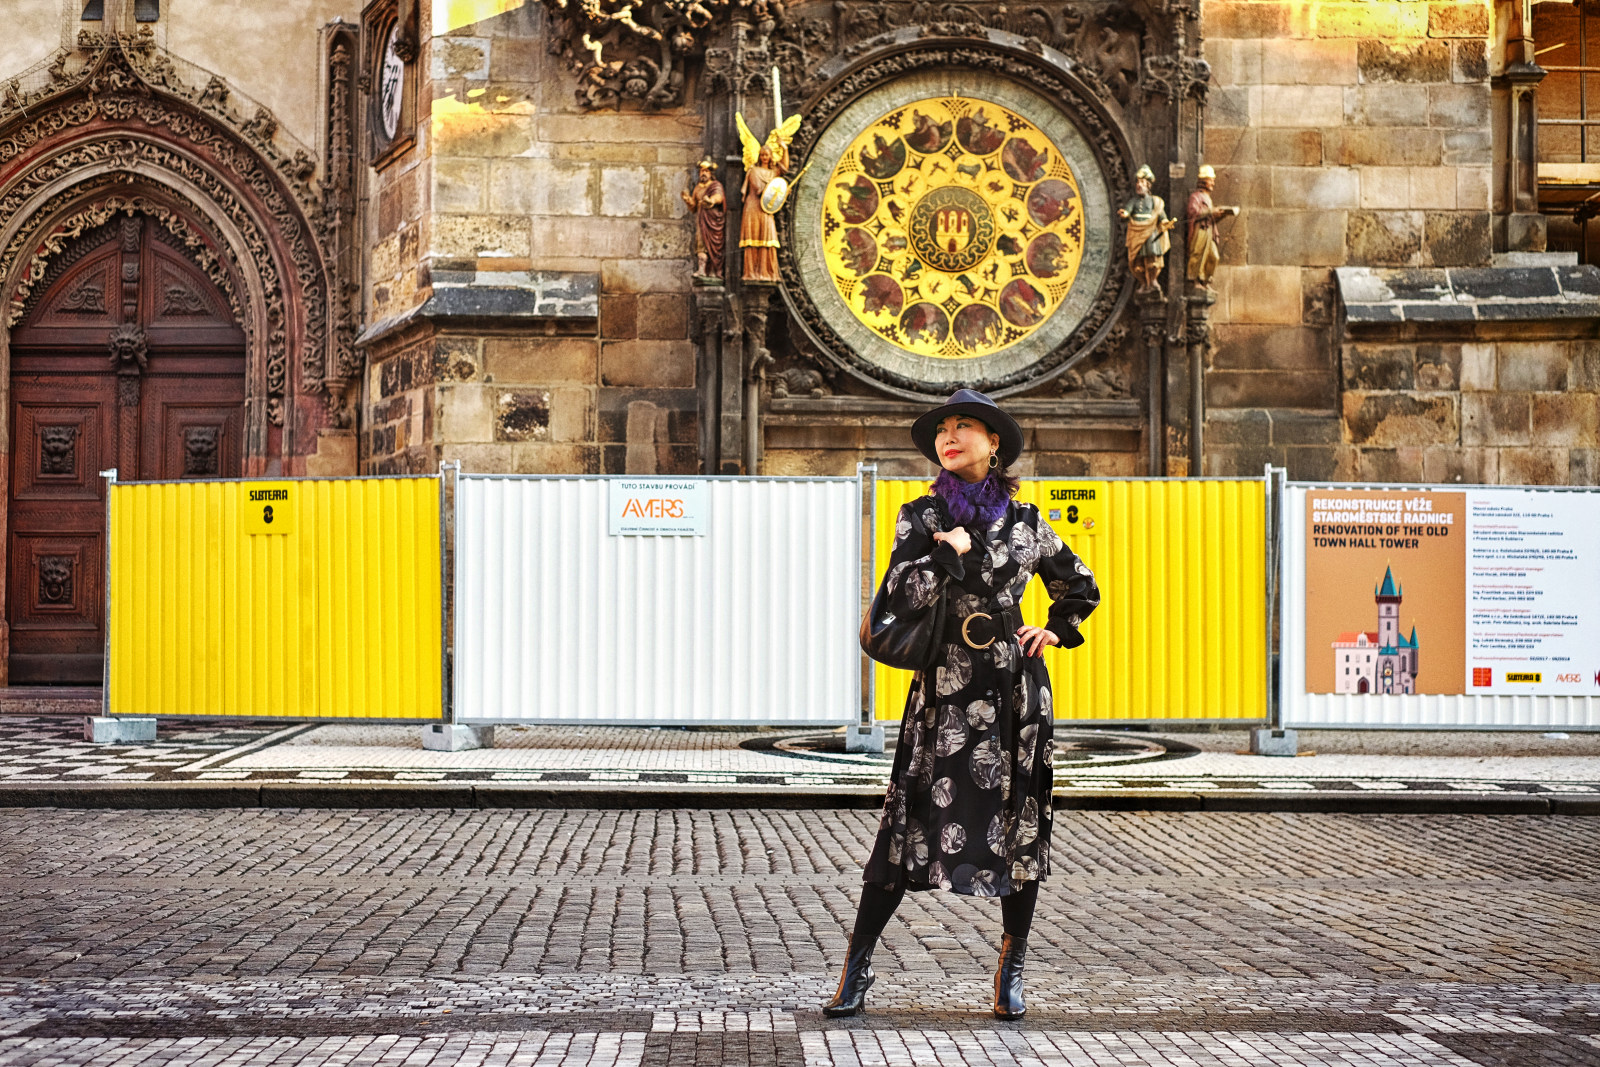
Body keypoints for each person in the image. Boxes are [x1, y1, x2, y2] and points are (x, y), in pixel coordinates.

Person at [825, 388, 1100, 1021]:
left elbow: (1078, 583)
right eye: (942, 429)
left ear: (993, 441)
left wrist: (1056, 627)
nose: (950, 436)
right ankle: (857, 966)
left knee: (1018, 830)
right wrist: (949, 551)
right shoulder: (920, 515)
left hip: (1013, 695)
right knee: (905, 827)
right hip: (945, 693)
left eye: (964, 426)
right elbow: (899, 590)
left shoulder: (1028, 522)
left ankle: (1011, 967)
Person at [1117, 164, 1175, 294]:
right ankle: (1143, 282)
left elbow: (1161, 215)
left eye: (1142, 182)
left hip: (1151, 233)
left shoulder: (1155, 201)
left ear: (1148, 185)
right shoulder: (1134, 201)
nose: (1139, 184)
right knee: (1138, 260)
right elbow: (1128, 211)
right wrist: (1124, 214)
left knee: (1152, 257)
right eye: (1138, 182)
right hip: (1137, 231)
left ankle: (1153, 280)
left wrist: (1166, 223)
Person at [1185, 163, 1237, 290]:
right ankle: (1194, 280)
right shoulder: (1195, 197)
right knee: (1198, 253)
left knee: (1213, 256)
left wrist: (1221, 215)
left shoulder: (1207, 198)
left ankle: (1205, 280)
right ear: (1203, 182)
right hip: (1200, 230)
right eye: (1211, 180)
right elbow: (1192, 212)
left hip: (1209, 230)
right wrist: (1211, 211)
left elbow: (1211, 217)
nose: (1213, 183)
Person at [740, 144, 784, 282]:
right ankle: (751, 272)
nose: (765, 157)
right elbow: (759, 189)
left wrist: (784, 148)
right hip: (754, 206)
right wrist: (775, 191)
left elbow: (785, 168)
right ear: (759, 156)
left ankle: (767, 272)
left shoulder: (773, 172)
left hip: (766, 208)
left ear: (771, 156)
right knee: (753, 238)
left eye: (767, 155)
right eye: (762, 155)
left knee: (768, 238)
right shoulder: (754, 171)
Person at [681, 158, 726, 279]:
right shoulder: (698, 188)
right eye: (701, 171)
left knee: (714, 245)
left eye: (706, 171)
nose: (703, 173)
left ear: (711, 173)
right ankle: (702, 270)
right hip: (701, 220)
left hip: (713, 220)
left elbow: (719, 197)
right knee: (700, 243)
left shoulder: (715, 185)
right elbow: (694, 208)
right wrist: (688, 200)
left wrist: (711, 200)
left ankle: (713, 270)